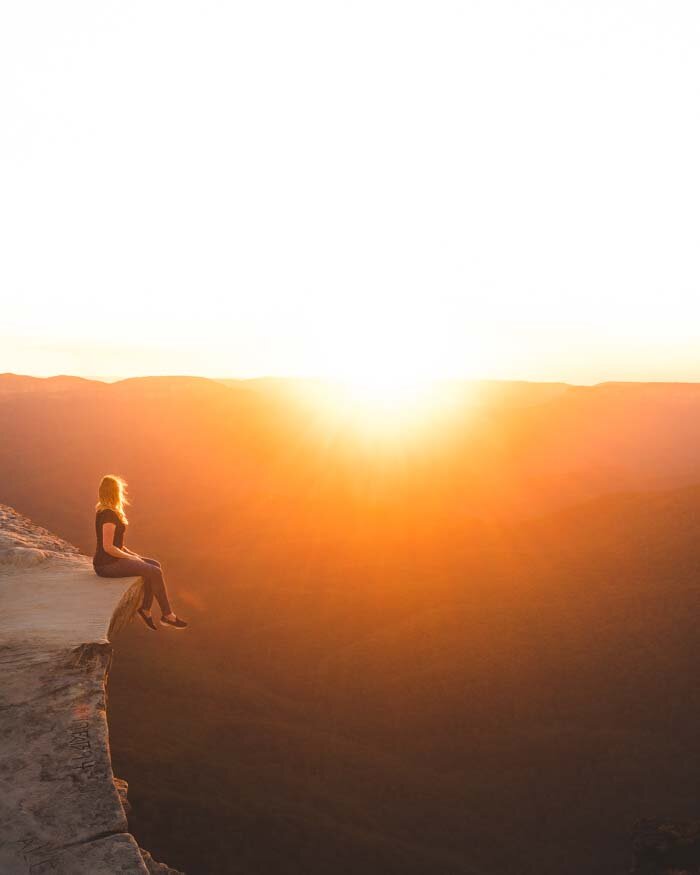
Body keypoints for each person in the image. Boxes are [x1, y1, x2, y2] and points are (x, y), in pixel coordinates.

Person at [93, 474, 188, 631]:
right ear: (115, 492)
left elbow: (118, 545)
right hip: (106, 565)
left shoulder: (108, 511)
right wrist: (131, 558)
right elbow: (108, 547)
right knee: (154, 571)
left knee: (154, 565)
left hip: (112, 560)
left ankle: (145, 608)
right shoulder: (108, 515)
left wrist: (134, 556)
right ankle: (167, 615)